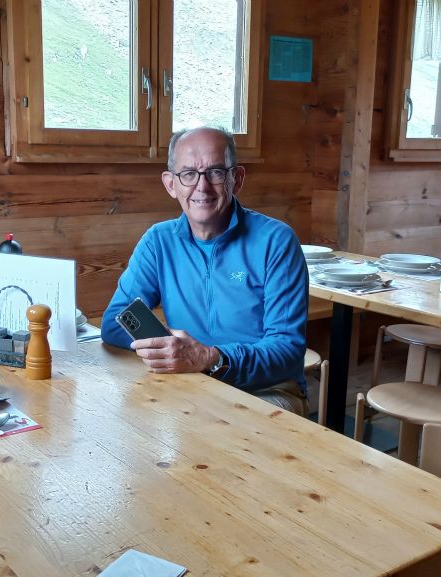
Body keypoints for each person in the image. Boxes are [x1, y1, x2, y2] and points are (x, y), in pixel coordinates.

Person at [101, 126, 310, 415]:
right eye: (188, 174)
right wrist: (172, 347)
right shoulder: (158, 241)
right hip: (188, 382)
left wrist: (210, 358)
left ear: (236, 179)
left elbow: (287, 352)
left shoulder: (276, 241)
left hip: (267, 390)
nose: (202, 187)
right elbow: (115, 322)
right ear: (170, 184)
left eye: (215, 172)